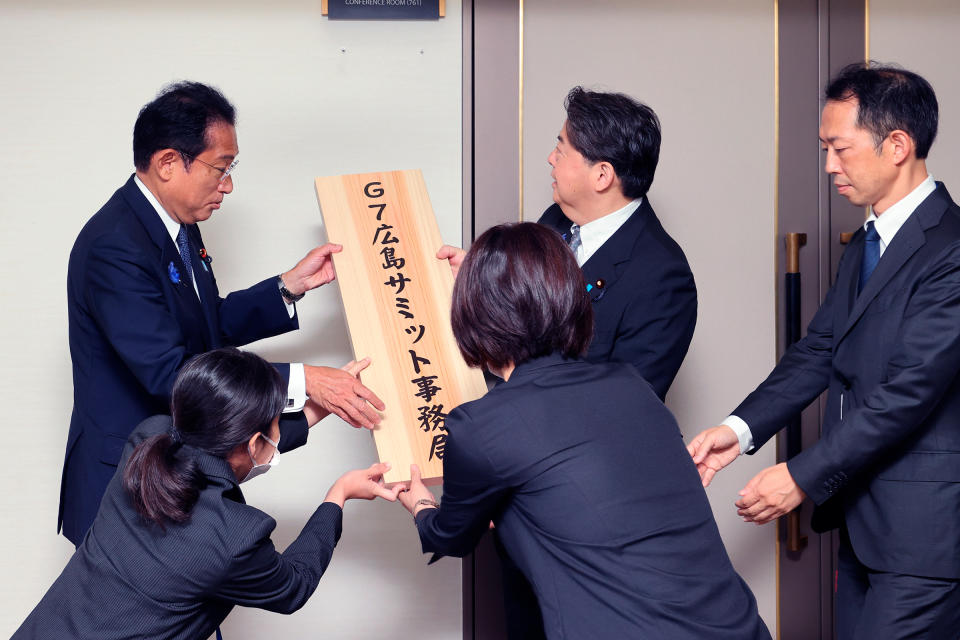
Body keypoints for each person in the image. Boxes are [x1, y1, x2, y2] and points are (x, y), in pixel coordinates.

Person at [687, 63, 960, 638]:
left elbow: (908, 394)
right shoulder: (867, 241)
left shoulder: (951, 250)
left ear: (897, 145)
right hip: (863, 525)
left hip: (924, 541)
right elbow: (819, 351)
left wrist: (802, 476)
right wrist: (737, 432)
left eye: (840, 148)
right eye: (825, 148)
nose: (830, 165)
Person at [400, 223, 769, 639]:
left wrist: (420, 505)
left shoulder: (482, 426)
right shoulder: (630, 385)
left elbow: (451, 536)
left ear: (472, 313)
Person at [62, 81, 384, 546]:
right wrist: (303, 381)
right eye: (220, 168)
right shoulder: (114, 245)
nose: (228, 185)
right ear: (169, 163)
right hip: (124, 483)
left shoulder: (178, 223)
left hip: (175, 468)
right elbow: (170, 372)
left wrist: (287, 288)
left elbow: (205, 325)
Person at [16, 348, 400, 639]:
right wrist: (338, 495)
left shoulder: (148, 439)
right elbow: (293, 586)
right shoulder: (234, 538)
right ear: (252, 442)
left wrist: (324, 406)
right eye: (276, 420)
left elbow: (223, 460)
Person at [438, 86, 696, 401]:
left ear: (602, 176)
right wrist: (480, 280)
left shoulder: (662, 278)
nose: (550, 159)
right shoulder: (554, 220)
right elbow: (519, 319)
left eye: (561, 150)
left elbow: (624, 407)